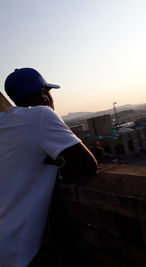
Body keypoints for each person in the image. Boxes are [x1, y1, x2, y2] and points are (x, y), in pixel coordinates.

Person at [0, 68, 97, 267]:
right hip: (17, 253)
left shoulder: (5, 124)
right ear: (44, 96)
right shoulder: (41, 116)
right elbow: (86, 166)